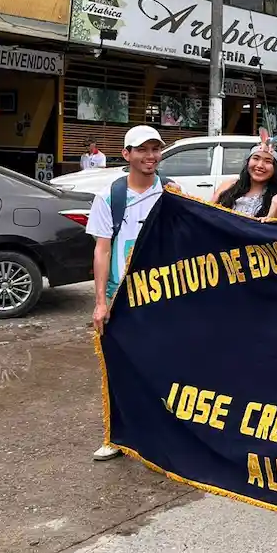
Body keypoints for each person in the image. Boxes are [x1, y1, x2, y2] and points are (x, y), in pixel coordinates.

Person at [85, 126, 168, 461]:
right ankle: (116, 436)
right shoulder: (110, 197)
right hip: (122, 297)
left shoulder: (171, 194)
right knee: (119, 368)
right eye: (142, 150)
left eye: (155, 149)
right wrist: (100, 303)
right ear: (127, 155)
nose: (150, 156)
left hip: (163, 296)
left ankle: (162, 436)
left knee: (164, 366)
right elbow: (101, 251)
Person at [213, 141, 277, 218]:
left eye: (268, 161)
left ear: (275, 169)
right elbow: (208, 213)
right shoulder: (228, 185)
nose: (260, 165)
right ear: (248, 162)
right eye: (256, 158)